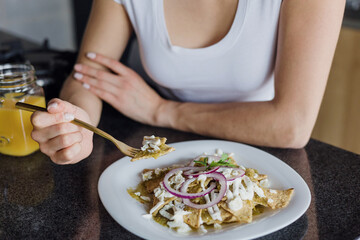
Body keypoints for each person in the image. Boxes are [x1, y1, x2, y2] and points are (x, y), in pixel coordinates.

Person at [30, 0, 346, 164]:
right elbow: (86, 77)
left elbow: (290, 126)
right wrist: (78, 122)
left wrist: (161, 112)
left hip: (270, 155)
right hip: (169, 155)